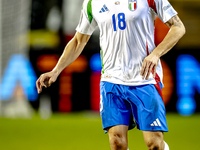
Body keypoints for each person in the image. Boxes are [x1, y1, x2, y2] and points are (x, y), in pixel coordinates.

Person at [36, 0, 185, 149]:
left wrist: (155, 54)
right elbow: (78, 41)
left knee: (154, 144)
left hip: (145, 79)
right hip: (111, 81)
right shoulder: (91, 3)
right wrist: (56, 71)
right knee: (116, 143)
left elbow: (178, 27)